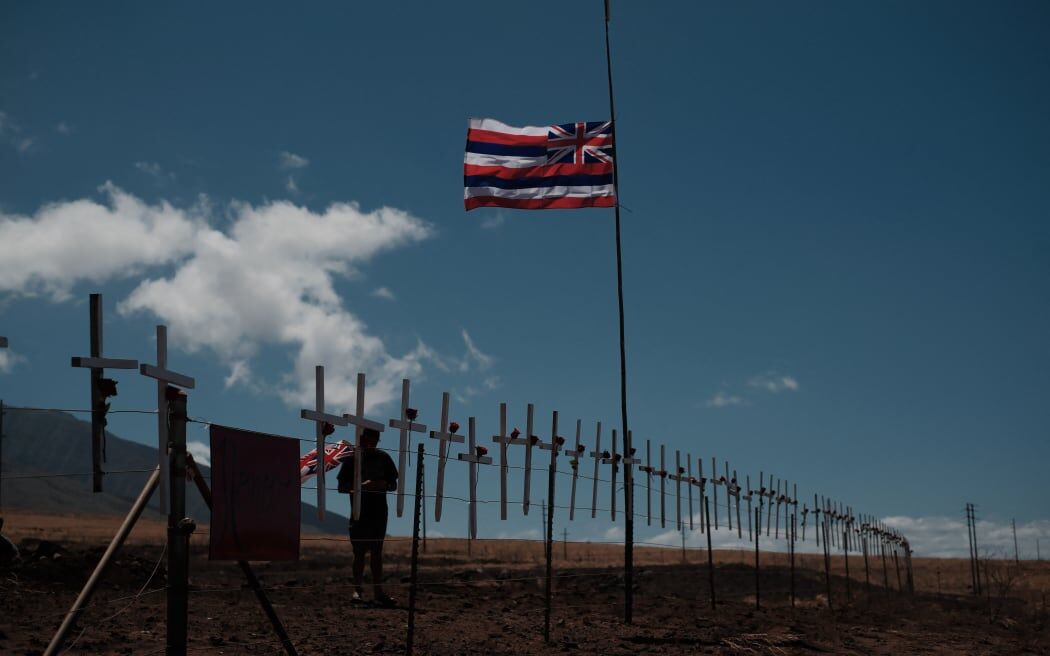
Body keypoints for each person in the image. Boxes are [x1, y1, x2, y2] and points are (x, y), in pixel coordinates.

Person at [337, 427, 398, 606]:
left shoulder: (383, 458)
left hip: (379, 511)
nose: (369, 443)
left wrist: (382, 484)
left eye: (373, 441)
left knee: (377, 552)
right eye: (366, 439)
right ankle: (357, 590)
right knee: (359, 552)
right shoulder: (351, 458)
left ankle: (378, 592)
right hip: (358, 511)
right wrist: (361, 486)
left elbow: (394, 484)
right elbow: (341, 486)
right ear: (361, 438)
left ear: (377, 441)